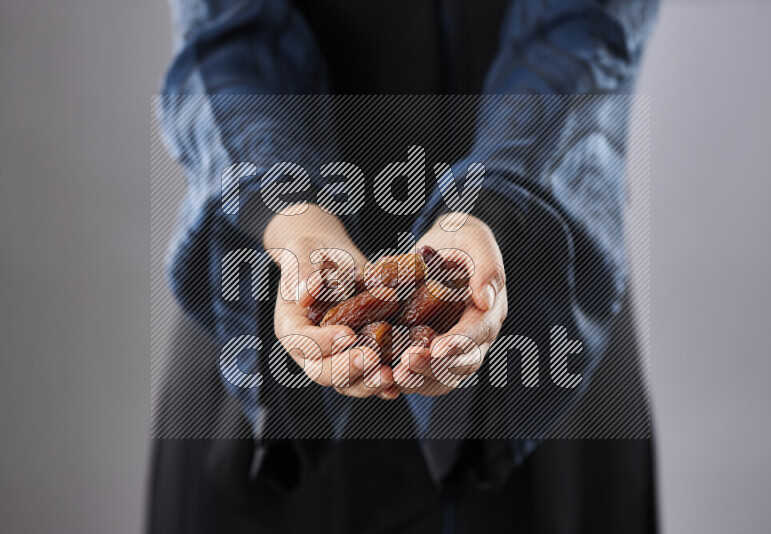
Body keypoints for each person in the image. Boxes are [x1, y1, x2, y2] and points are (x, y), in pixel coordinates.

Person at [149, 0, 660, 532]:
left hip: (535, 295)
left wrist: (496, 205)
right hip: (269, 303)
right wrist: (287, 209)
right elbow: (226, 35)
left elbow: (587, 25)